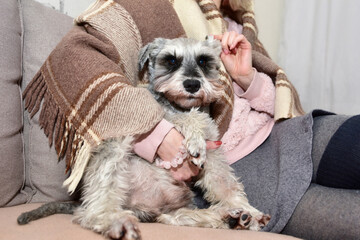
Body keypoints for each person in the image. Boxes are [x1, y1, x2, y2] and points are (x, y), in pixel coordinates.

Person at [23, 0, 360, 239]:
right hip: (250, 171)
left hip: (294, 134)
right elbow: (77, 57)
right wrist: (156, 136)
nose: (191, 77)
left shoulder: (237, 26)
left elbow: (281, 108)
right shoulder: (148, 8)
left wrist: (246, 78)